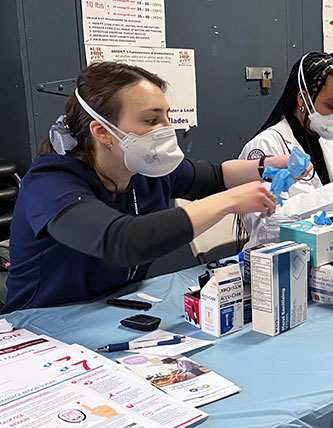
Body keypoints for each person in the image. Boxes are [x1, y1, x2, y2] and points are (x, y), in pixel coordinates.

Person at [2, 62, 305, 314]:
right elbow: (119, 241)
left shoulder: (146, 169)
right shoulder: (51, 182)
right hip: (42, 327)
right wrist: (228, 202)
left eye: (166, 116)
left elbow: (215, 176)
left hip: (112, 313)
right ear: (102, 132)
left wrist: (266, 166)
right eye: (151, 119)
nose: (166, 128)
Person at [239, 52, 333, 247]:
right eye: (332, 105)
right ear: (303, 99)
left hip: (322, 252)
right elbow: (267, 225)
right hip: (278, 259)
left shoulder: (327, 144)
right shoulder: (265, 146)